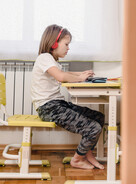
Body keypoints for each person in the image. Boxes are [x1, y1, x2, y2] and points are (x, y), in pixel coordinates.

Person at [31, 24, 105, 170]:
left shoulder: (52, 61)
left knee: (98, 117)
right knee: (93, 127)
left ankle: (86, 153)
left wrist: (81, 74)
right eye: (66, 44)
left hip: (58, 104)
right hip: (49, 108)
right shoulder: (44, 58)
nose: (68, 48)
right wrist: (80, 78)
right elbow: (61, 76)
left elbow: (66, 74)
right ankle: (77, 159)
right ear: (54, 43)